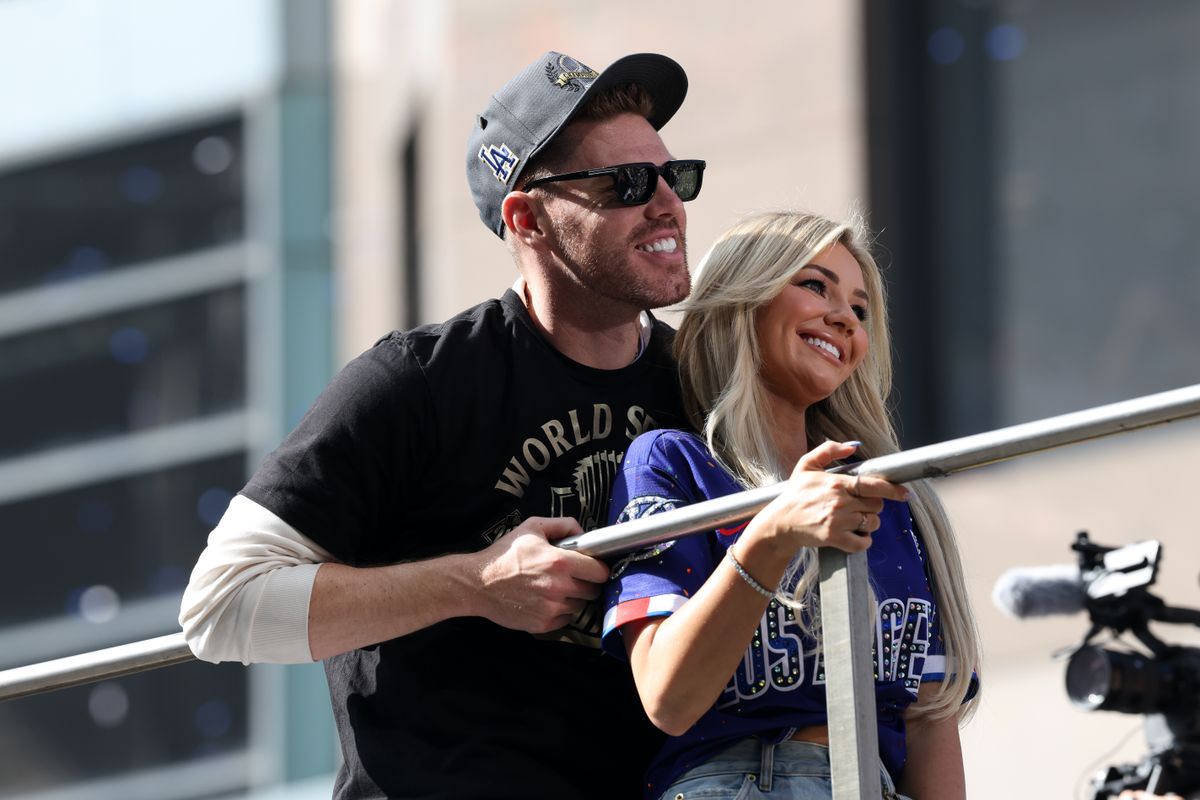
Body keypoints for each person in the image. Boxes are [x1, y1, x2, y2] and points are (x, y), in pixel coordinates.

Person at [179, 50, 706, 799]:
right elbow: (219, 607)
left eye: (673, 176)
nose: (665, 205)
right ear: (529, 220)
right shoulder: (417, 383)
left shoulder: (707, 383)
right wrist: (479, 584)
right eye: (624, 184)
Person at [599, 210, 982, 799]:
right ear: (742, 301)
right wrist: (773, 533)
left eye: (859, 309)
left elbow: (929, 721)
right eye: (814, 285)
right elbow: (667, 699)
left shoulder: (893, 500)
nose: (844, 319)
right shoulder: (672, 464)